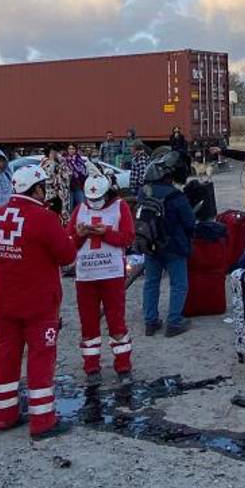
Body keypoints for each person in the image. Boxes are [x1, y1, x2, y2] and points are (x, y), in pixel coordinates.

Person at [0, 165, 77, 440]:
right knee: (40, 358)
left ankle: (4, 414)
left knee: (7, 356)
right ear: (37, 189)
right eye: (43, 187)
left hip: (5, 301)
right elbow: (66, 255)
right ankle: (42, 420)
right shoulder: (43, 218)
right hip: (39, 303)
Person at [66, 175, 136, 382]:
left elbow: (128, 237)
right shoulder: (80, 209)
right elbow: (68, 242)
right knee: (88, 323)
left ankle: (123, 365)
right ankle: (91, 367)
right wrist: (79, 235)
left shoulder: (120, 207)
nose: (94, 203)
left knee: (116, 321)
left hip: (112, 274)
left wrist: (106, 233)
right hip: (86, 275)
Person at [141, 152, 196, 338]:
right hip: (174, 246)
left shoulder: (144, 192)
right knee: (179, 284)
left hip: (150, 244)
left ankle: (150, 322)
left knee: (151, 283)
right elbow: (190, 222)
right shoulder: (176, 196)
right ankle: (174, 322)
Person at [40, 147, 67, 215]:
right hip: (49, 193)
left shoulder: (59, 162)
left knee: (59, 211)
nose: (55, 154)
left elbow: (65, 173)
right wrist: (52, 161)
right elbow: (49, 174)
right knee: (50, 211)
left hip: (59, 192)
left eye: (55, 152)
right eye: (52, 152)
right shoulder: (45, 163)